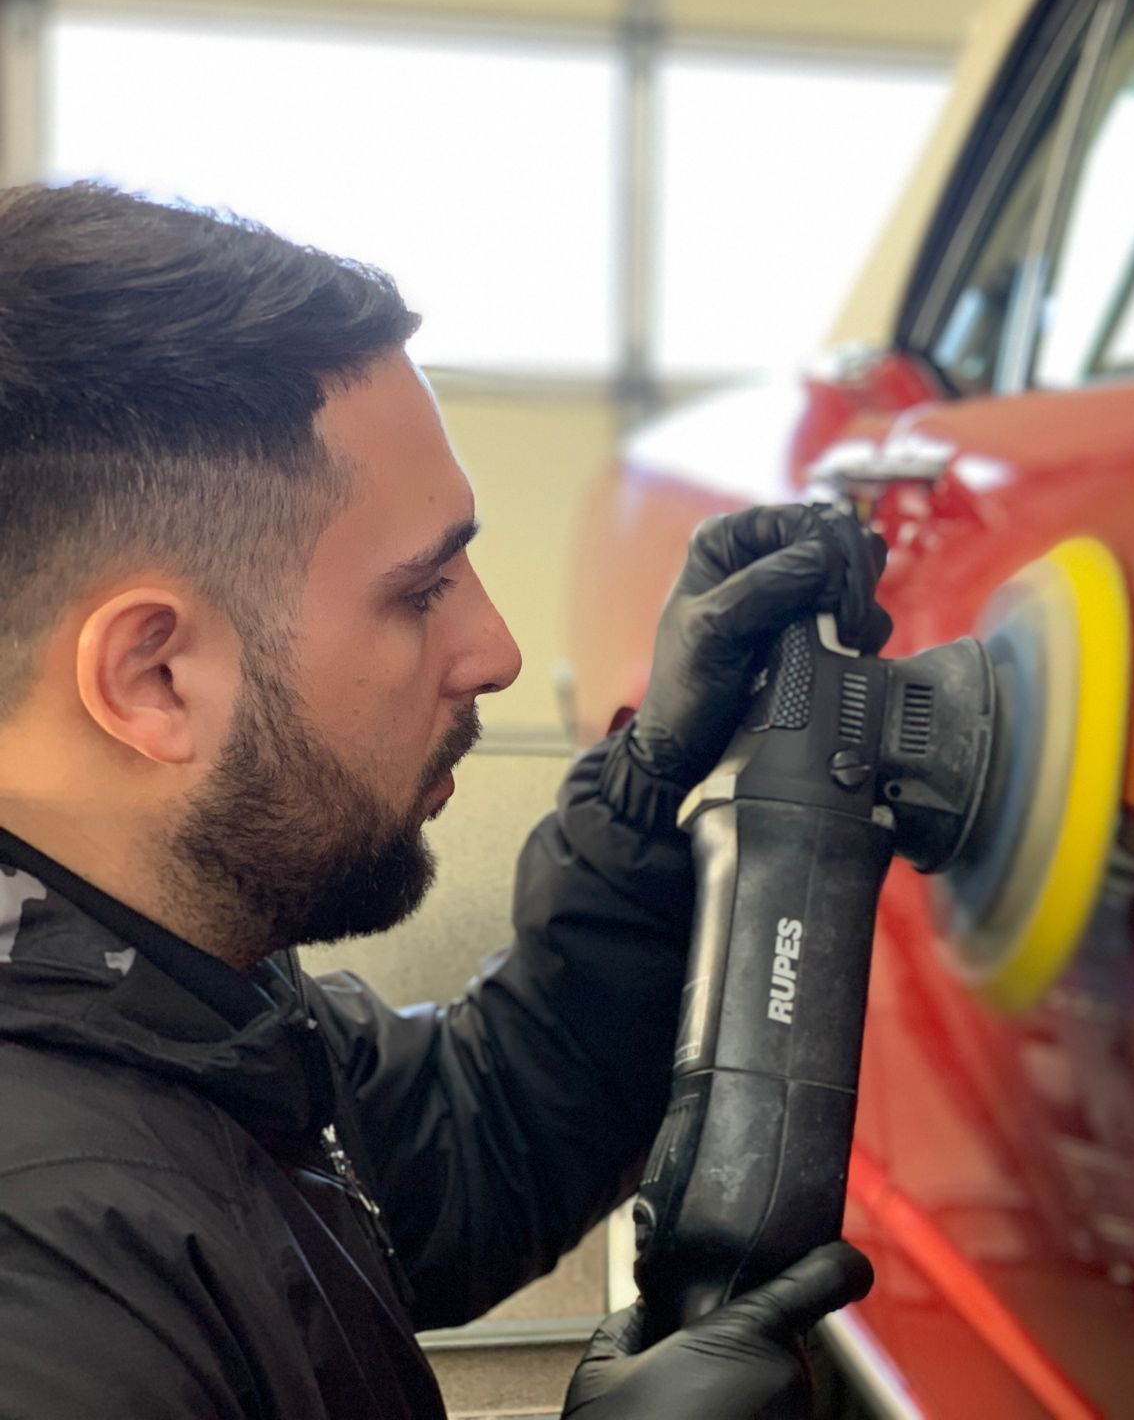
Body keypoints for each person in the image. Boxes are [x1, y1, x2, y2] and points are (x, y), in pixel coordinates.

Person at [0, 183, 888, 1419]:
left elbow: (473, 1147)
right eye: (420, 593)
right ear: (153, 676)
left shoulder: (161, 993)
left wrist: (649, 793)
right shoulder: (46, 1290)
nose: (498, 647)